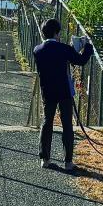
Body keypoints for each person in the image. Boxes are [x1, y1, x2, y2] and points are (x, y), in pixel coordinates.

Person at [32, 17, 94, 170]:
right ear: (56, 33)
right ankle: (68, 162)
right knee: (67, 125)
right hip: (64, 92)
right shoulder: (64, 49)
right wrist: (87, 47)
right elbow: (80, 61)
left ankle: (44, 158)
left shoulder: (37, 50)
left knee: (47, 123)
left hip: (47, 90)